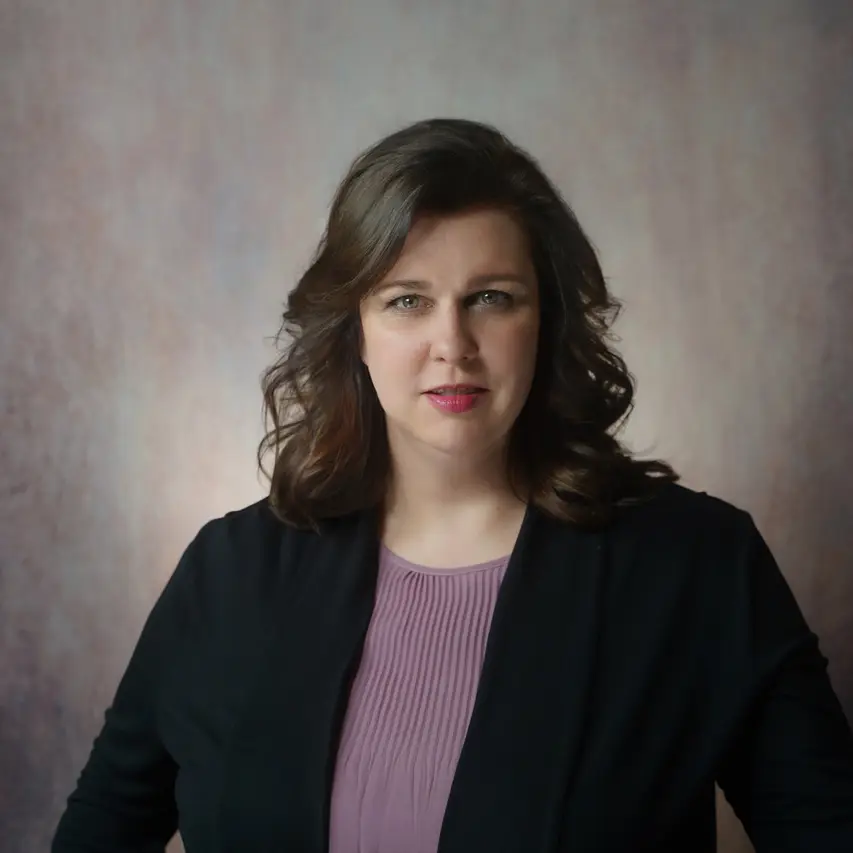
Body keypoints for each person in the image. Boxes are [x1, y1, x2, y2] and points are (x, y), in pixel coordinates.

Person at [52, 117, 853, 853]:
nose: (452, 343)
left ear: (545, 321)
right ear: (355, 331)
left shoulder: (698, 566)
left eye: (491, 299)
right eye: (407, 300)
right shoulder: (228, 572)